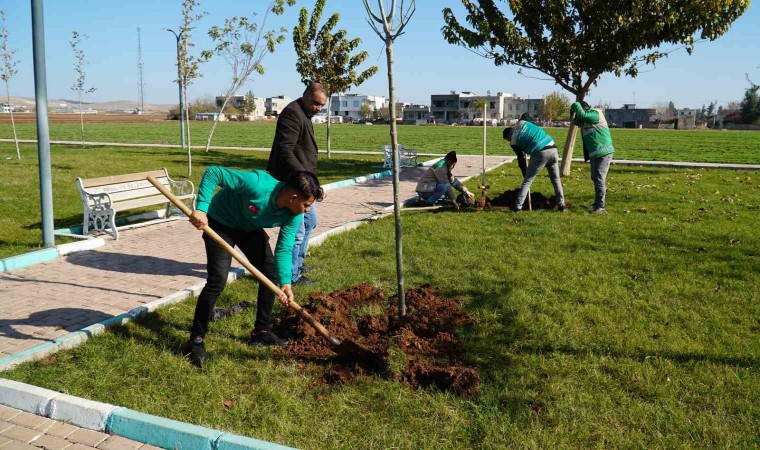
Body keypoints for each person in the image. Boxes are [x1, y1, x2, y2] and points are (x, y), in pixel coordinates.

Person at [183, 167, 325, 368]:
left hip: (248, 228)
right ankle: (195, 340)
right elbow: (214, 173)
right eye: (306, 204)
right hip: (220, 223)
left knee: (270, 274)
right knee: (218, 280)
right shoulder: (256, 183)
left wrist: (285, 282)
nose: (307, 210)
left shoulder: (293, 215)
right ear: (294, 197)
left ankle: (261, 332)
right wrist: (201, 208)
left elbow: (284, 248)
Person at [267, 81, 328, 286]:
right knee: (297, 231)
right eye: (317, 104)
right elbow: (285, 150)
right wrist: (303, 177)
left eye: (322, 106)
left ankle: (298, 265)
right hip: (293, 183)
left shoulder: (305, 113)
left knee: (310, 222)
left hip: (303, 183)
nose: (319, 109)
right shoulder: (293, 113)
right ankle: (290, 276)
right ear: (306, 95)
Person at [503, 119, 565, 212]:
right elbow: (528, 119)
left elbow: (521, 159)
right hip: (553, 148)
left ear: (509, 136)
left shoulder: (513, 142)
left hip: (539, 152)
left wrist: (525, 172)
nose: (509, 142)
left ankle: (518, 207)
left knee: (527, 181)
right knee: (556, 179)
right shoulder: (522, 123)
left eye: (508, 140)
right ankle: (562, 205)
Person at [571, 100, 615, 213]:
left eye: (578, 110)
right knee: (595, 177)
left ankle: (601, 206)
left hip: (604, 152)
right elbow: (575, 121)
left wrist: (576, 105)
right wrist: (572, 113)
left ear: (583, 108)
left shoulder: (595, 113)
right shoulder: (585, 120)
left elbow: (582, 115)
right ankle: (596, 204)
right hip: (595, 153)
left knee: (599, 178)